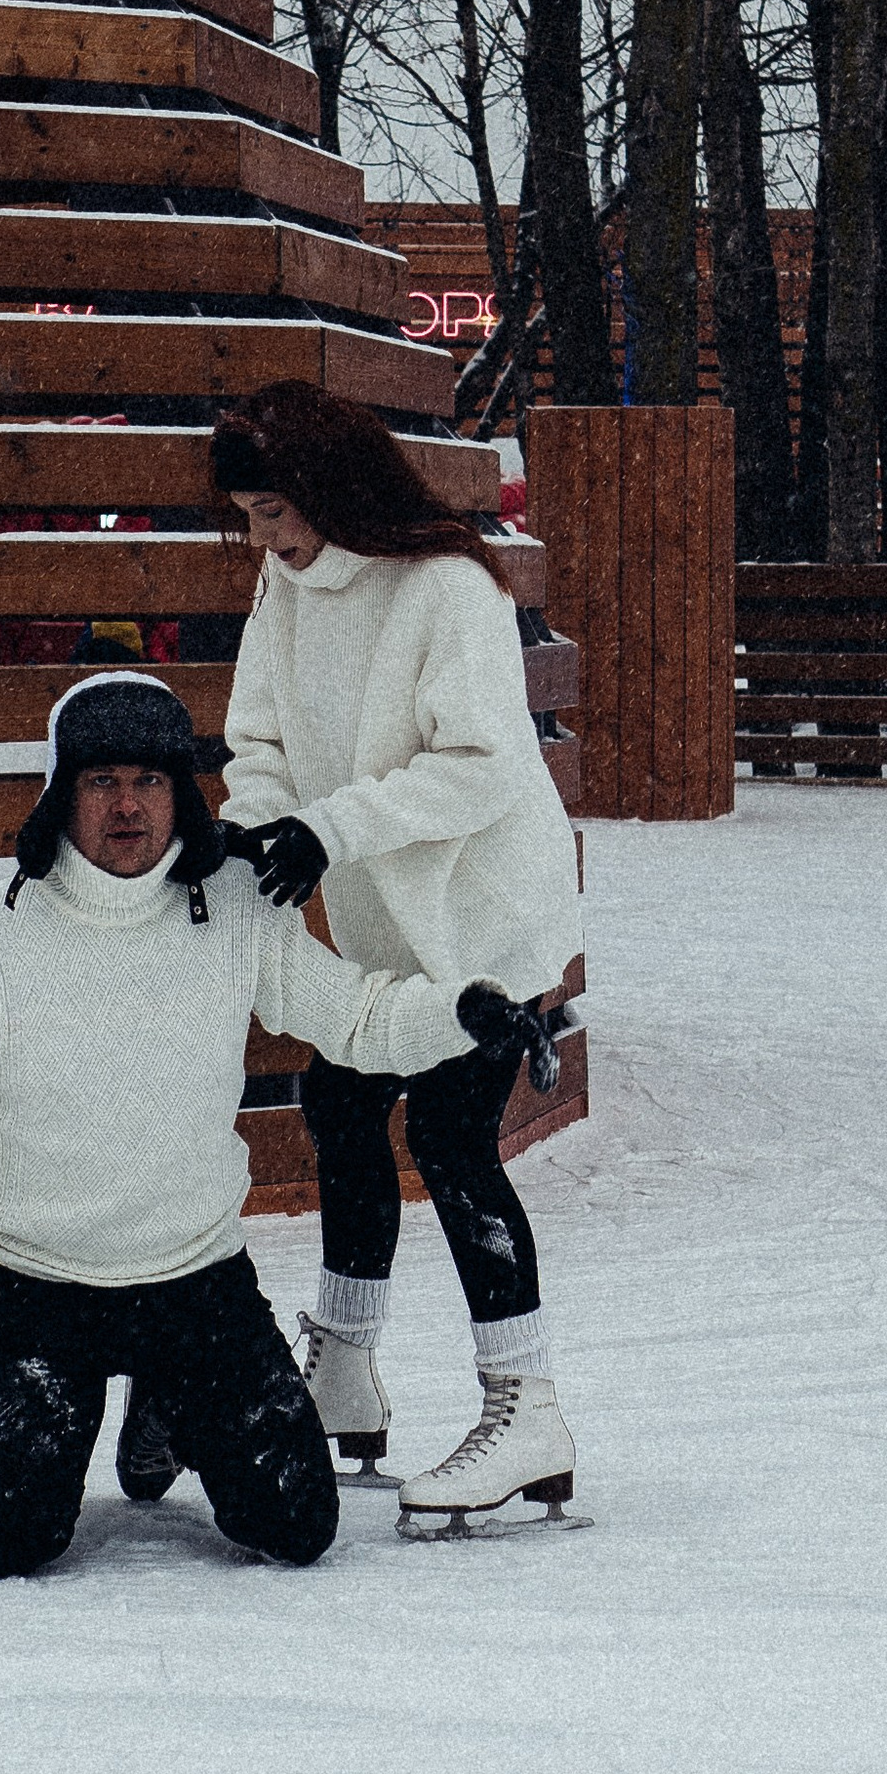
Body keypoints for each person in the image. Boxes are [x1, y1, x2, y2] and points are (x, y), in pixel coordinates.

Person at [0, 669, 559, 1575]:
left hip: (195, 1284)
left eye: (150, 780)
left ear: (182, 793)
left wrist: (465, 1012)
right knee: (2, 1542)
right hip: (37, 1289)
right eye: (102, 781)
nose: (128, 806)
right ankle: (124, 1398)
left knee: (296, 1526)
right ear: (61, 794)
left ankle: (170, 1397)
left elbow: (358, 1018)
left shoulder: (233, 909)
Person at [203, 378, 585, 1528]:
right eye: (249, 519)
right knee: (340, 1103)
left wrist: (328, 829)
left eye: (274, 513)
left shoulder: (449, 587)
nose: (263, 540)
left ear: (329, 487)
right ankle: (344, 1366)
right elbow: (260, 739)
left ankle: (526, 1405)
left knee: (453, 1138)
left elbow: (481, 766)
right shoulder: (286, 583)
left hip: (481, 913)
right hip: (379, 911)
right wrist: (259, 826)